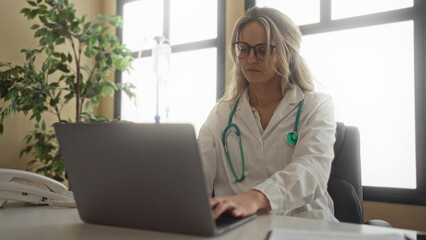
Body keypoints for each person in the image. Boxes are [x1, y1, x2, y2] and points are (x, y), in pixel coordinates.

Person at [198, 7, 338, 222]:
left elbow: (312, 170)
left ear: (286, 52)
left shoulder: (316, 106)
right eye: (243, 49)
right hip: (242, 228)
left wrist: (257, 197)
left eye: (262, 50)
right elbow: (196, 177)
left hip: (305, 225)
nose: (251, 59)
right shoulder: (221, 114)